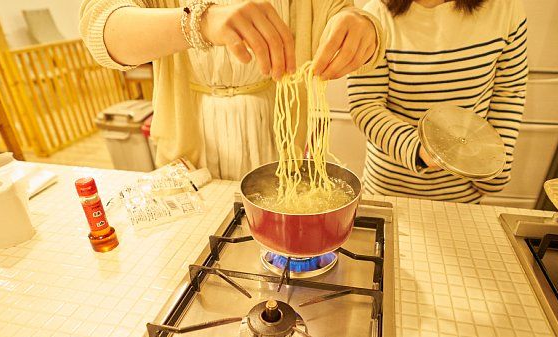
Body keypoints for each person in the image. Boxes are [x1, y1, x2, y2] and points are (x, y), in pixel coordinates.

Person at [80, 0, 384, 180]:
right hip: (189, 147)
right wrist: (200, 23)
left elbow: (343, 13)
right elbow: (101, 29)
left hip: (277, 142)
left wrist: (362, 26)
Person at [347, 0, 528, 203]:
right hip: (388, 189)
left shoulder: (505, 8)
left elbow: (509, 93)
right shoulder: (376, 16)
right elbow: (366, 104)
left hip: (463, 194)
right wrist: (418, 149)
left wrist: (495, 165)